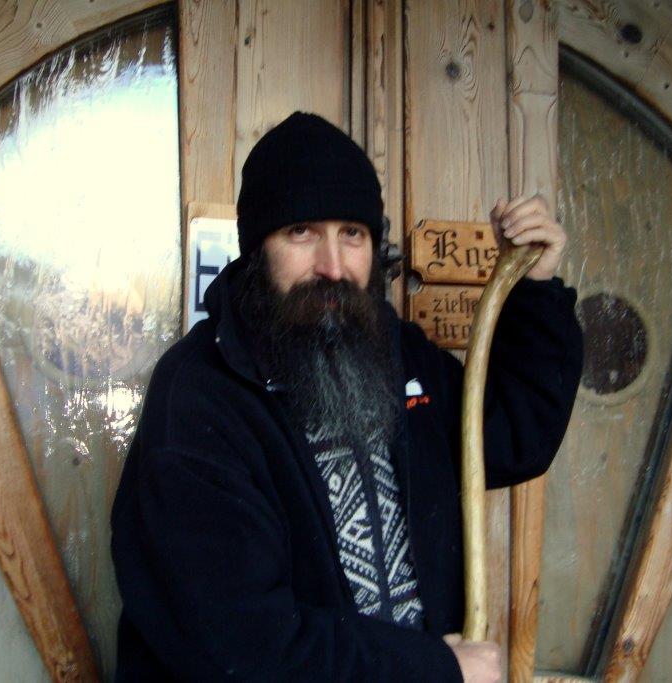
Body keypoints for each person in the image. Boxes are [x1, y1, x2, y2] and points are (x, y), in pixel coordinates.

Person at [111, 111, 583, 682]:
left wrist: (534, 286)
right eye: (302, 232)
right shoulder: (199, 396)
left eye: (352, 234)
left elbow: (512, 438)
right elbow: (238, 644)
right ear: (257, 248)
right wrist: (433, 670)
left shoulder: (394, 353)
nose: (333, 267)